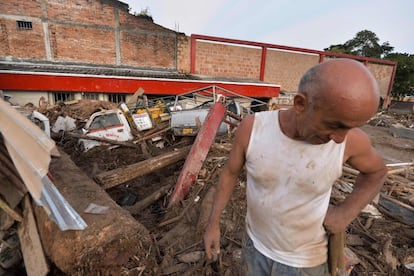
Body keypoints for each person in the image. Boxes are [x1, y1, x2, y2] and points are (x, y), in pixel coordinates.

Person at [203, 58, 388, 275]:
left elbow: (377, 172)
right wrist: (213, 223)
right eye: (334, 125)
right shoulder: (254, 129)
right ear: (300, 104)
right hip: (255, 247)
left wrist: (345, 213)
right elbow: (230, 173)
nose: (340, 138)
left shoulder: (350, 142)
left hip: (306, 263)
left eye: (350, 128)